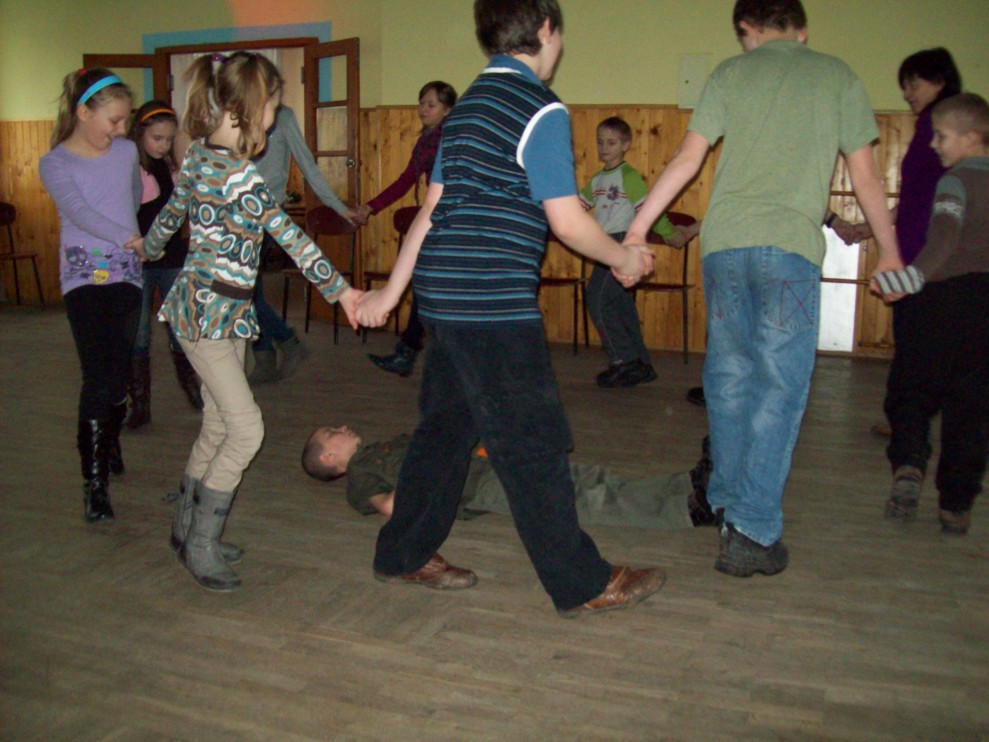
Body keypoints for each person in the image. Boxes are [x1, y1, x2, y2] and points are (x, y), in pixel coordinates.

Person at [355, 0, 664, 619]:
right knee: (531, 442)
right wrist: (624, 258)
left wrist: (392, 293)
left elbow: (431, 209)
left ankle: (403, 553)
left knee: (446, 430)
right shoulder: (540, 107)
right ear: (546, 30)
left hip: (445, 295)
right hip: (490, 301)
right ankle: (582, 581)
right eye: (560, 34)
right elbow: (568, 223)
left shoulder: (467, 106)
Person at [623, 0, 903, 578]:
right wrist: (891, 252)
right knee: (779, 385)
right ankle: (751, 529)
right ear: (801, 30)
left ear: (747, 30)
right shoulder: (836, 75)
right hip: (789, 250)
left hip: (724, 246)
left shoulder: (731, 73)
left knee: (728, 378)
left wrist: (636, 228)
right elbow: (867, 177)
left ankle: (728, 503)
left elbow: (687, 158)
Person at [127, 52, 361, 592]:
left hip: (221, 313)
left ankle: (186, 530)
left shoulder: (199, 158)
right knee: (246, 428)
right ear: (250, 109)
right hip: (207, 316)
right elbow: (292, 237)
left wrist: (149, 246)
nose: (276, 117)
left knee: (218, 424)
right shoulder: (240, 177)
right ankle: (201, 544)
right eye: (274, 105)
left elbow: (170, 216)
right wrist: (342, 291)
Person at [870, 93, 989, 536]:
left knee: (911, 389)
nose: (934, 144)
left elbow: (942, 240)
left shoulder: (955, 181)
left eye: (941, 136)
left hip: (940, 301)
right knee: (972, 407)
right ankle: (956, 505)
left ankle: (909, 465)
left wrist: (906, 280)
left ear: (972, 137)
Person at [830, 48, 963, 438]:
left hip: (930, 254)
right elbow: (913, 200)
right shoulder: (928, 127)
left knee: (918, 340)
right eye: (905, 85)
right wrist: (868, 228)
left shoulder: (945, 127)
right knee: (913, 337)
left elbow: (936, 200)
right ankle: (907, 417)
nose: (907, 93)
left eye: (913, 83)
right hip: (912, 250)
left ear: (939, 81)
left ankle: (909, 419)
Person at [40, 68, 142, 523]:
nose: (120, 129)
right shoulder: (55, 163)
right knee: (97, 376)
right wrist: (127, 237)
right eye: (114, 120)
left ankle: (110, 439)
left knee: (118, 376)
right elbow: (78, 211)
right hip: (82, 277)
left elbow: (133, 197)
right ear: (83, 113)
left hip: (127, 274)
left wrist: (131, 242)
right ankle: (94, 485)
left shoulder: (127, 152)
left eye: (125, 120)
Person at [302, 426, 717, 528]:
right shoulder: (361, 476)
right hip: (479, 486)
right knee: (582, 501)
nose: (343, 427)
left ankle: (685, 485)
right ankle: (687, 511)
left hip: (490, 462)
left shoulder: (382, 448)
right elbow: (392, 507)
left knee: (588, 478)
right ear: (328, 455)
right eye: (333, 431)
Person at [581, 116, 698, 388]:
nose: (604, 147)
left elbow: (649, 208)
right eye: (600, 142)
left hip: (622, 243)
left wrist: (669, 233)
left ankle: (623, 361)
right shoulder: (598, 179)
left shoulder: (629, 177)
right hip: (604, 244)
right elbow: (576, 204)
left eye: (611, 142)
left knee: (597, 300)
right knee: (621, 305)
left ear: (626, 145)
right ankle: (640, 363)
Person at [248, 104, 361, 385]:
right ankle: (265, 355)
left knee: (247, 292)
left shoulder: (283, 116)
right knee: (250, 290)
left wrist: (337, 206)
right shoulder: (237, 110)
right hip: (235, 216)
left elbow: (308, 165)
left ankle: (283, 343)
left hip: (268, 213)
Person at [358, 81, 458, 378]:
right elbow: (404, 181)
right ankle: (408, 352)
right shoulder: (426, 141)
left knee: (429, 282)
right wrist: (370, 206)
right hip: (441, 219)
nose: (423, 109)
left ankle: (411, 352)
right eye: (421, 103)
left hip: (453, 221)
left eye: (431, 105)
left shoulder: (450, 137)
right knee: (426, 282)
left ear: (447, 110)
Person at [124, 101, 203, 428]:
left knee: (180, 326)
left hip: (172, 259)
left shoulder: (172, 167)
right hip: (137, 262)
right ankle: (140, 405)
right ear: (140, 133)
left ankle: (192, 387)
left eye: (169, 139)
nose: (163, 145)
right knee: (139, 333)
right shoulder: (129, 168)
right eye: (157, 138)